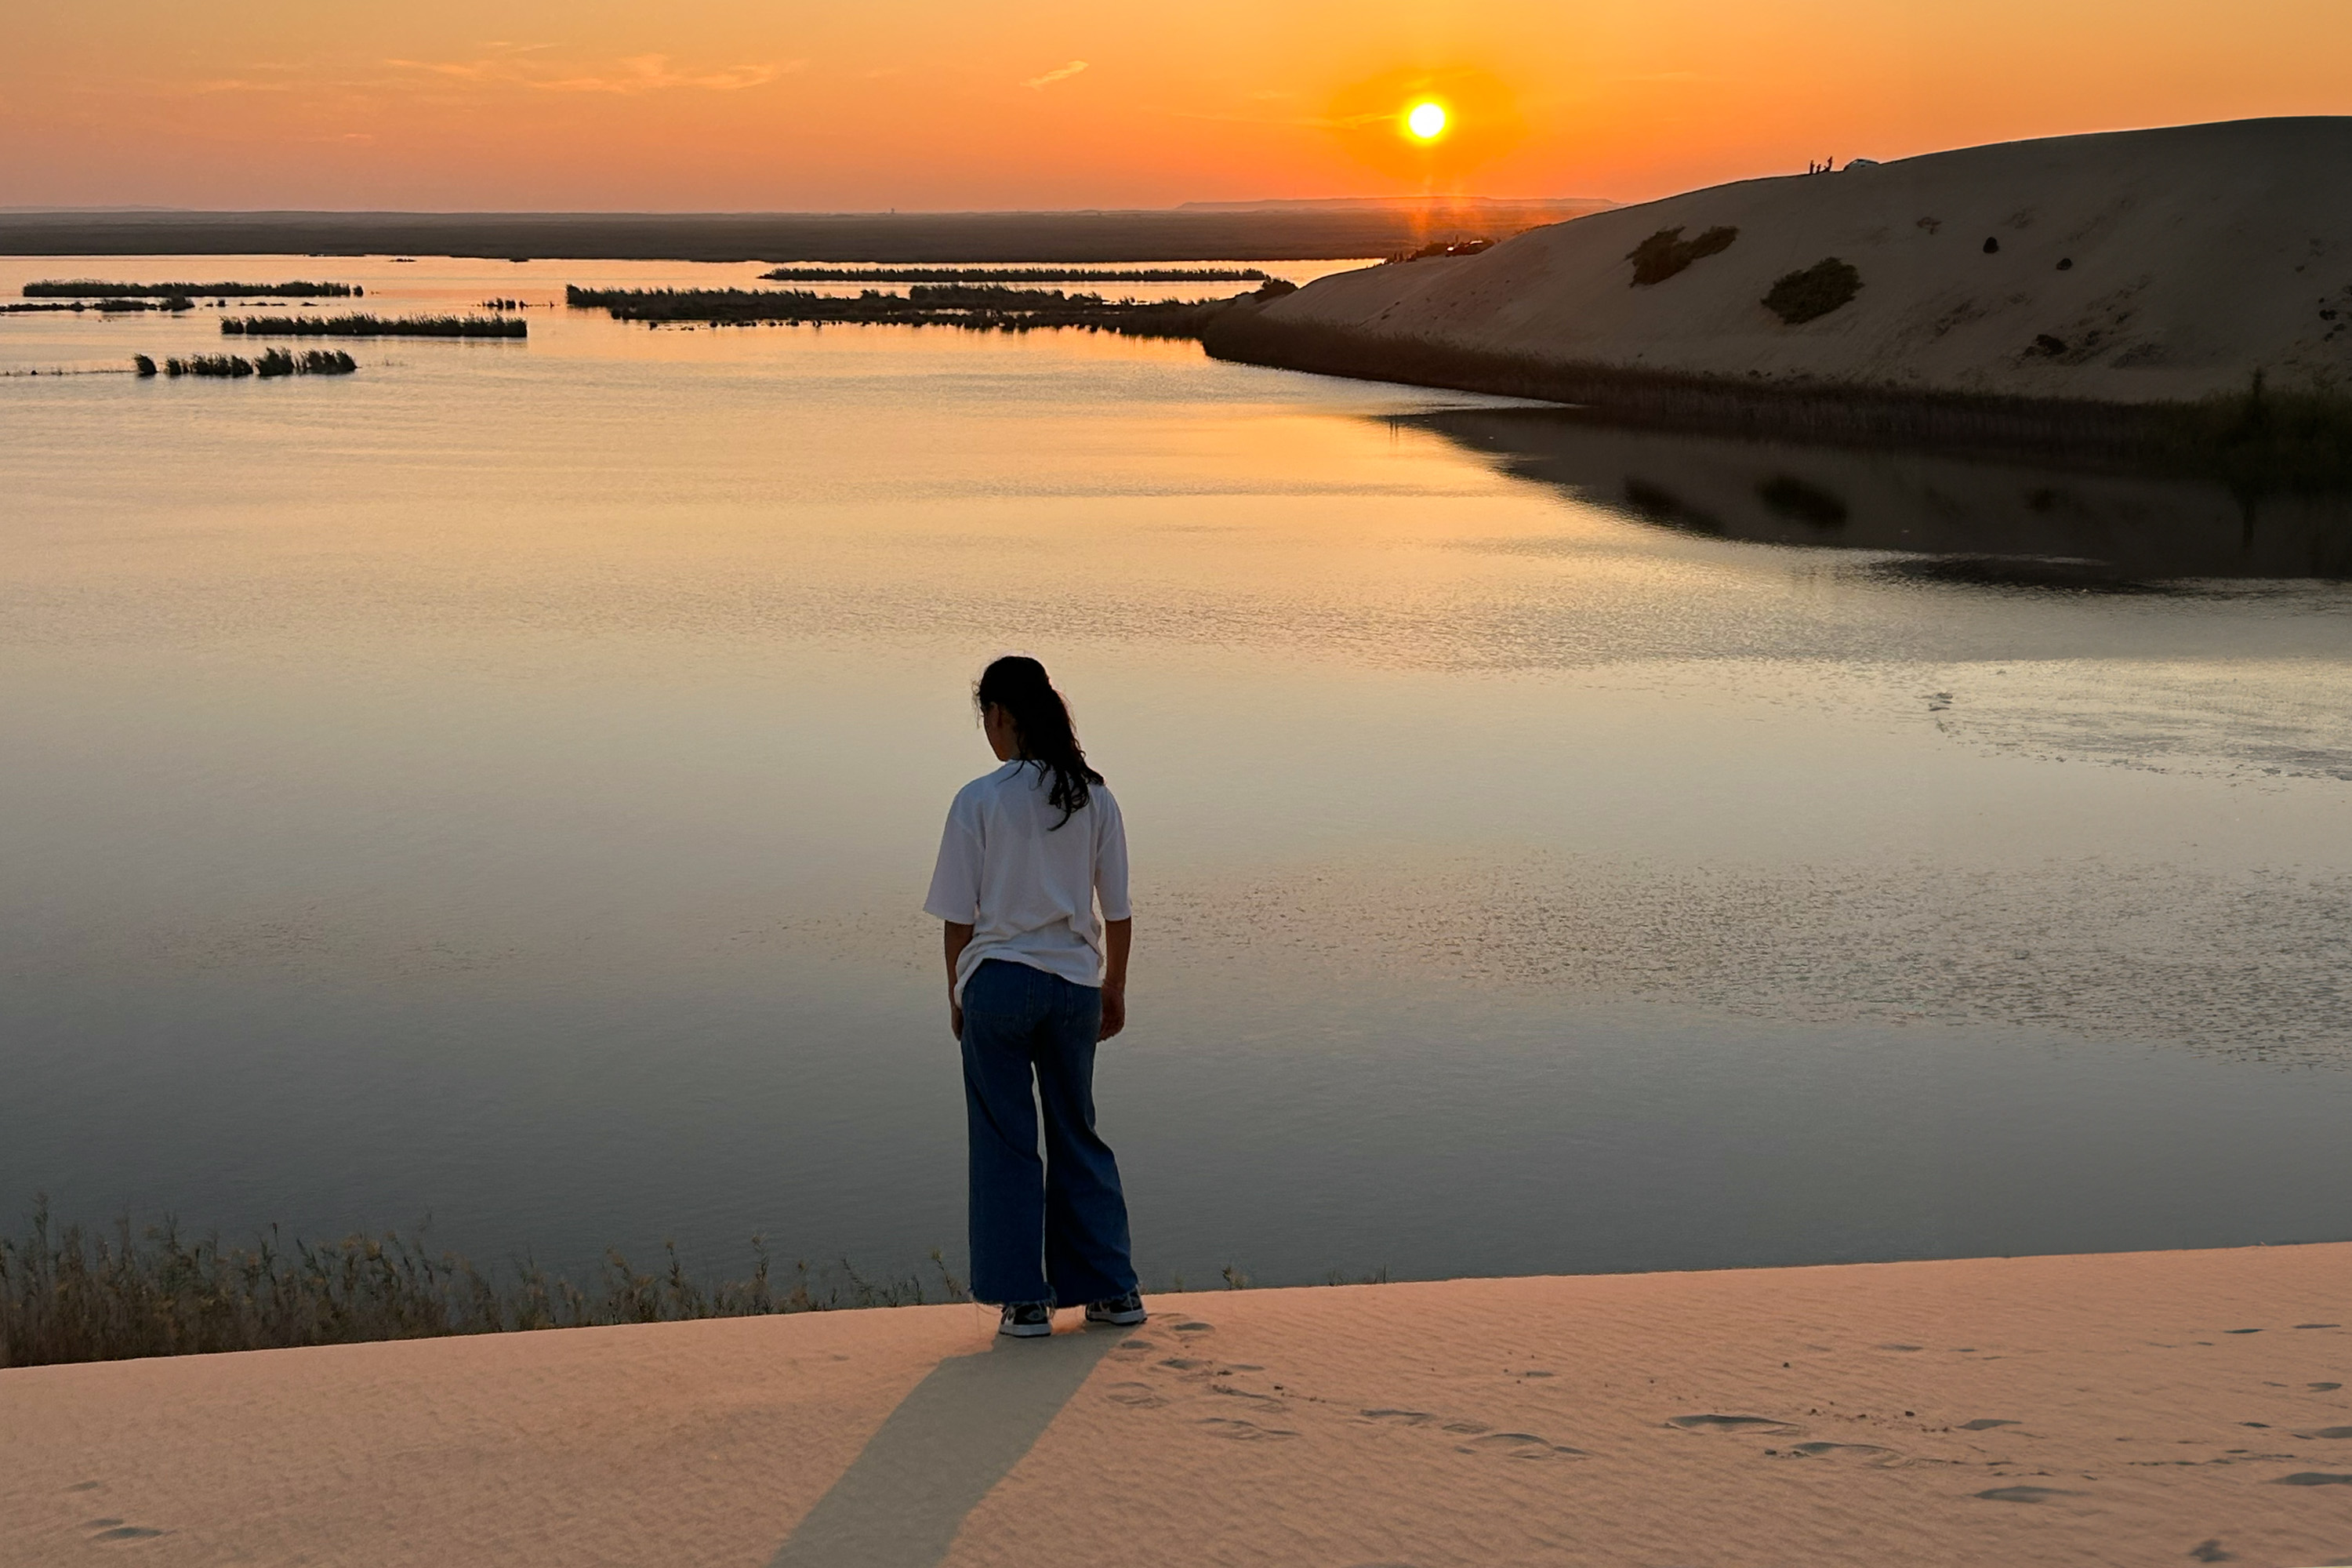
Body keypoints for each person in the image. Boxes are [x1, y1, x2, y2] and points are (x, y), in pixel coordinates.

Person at [924, 655, 1145, 1338]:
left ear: (999, 716)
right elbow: (1119, 912)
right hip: (1075, 987)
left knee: (1005, 1140)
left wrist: (958, 993)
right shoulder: (1094, 796)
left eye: (985, 718)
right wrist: (1114, 988)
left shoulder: (979, 799)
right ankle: (1112, 1291)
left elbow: (959, 920)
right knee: (1077, 1132)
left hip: (999, 981)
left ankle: (1024, 1301)